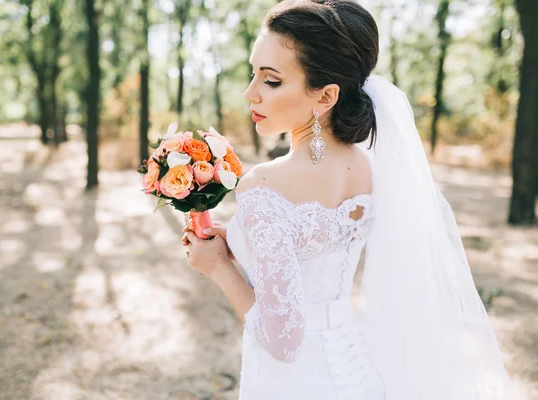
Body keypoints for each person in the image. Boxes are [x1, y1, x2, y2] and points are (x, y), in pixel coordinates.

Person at [182, 1, 511, 399]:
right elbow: (314, 250)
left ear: (325, 97)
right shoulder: (370, 167)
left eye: (270, 81)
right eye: (253, 73)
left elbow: (284, 340)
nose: (250, 93)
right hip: (356, 374)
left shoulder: (263, 185)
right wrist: (242, 244)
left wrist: (217, 268)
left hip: (291, 385)